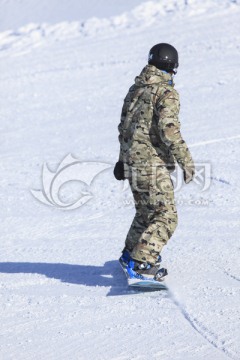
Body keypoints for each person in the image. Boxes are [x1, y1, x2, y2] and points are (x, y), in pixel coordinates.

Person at [114, 43, 195, 281]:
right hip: (151, 163)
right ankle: (142, 264)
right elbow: (169, 131)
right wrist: (186, 162)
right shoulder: (165, 92)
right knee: (166, 216)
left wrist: (122, 161)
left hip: (133, 161)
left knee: (146, 212)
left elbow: (124, 128)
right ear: (172, 66)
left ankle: (130, 254)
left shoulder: (135, 89)